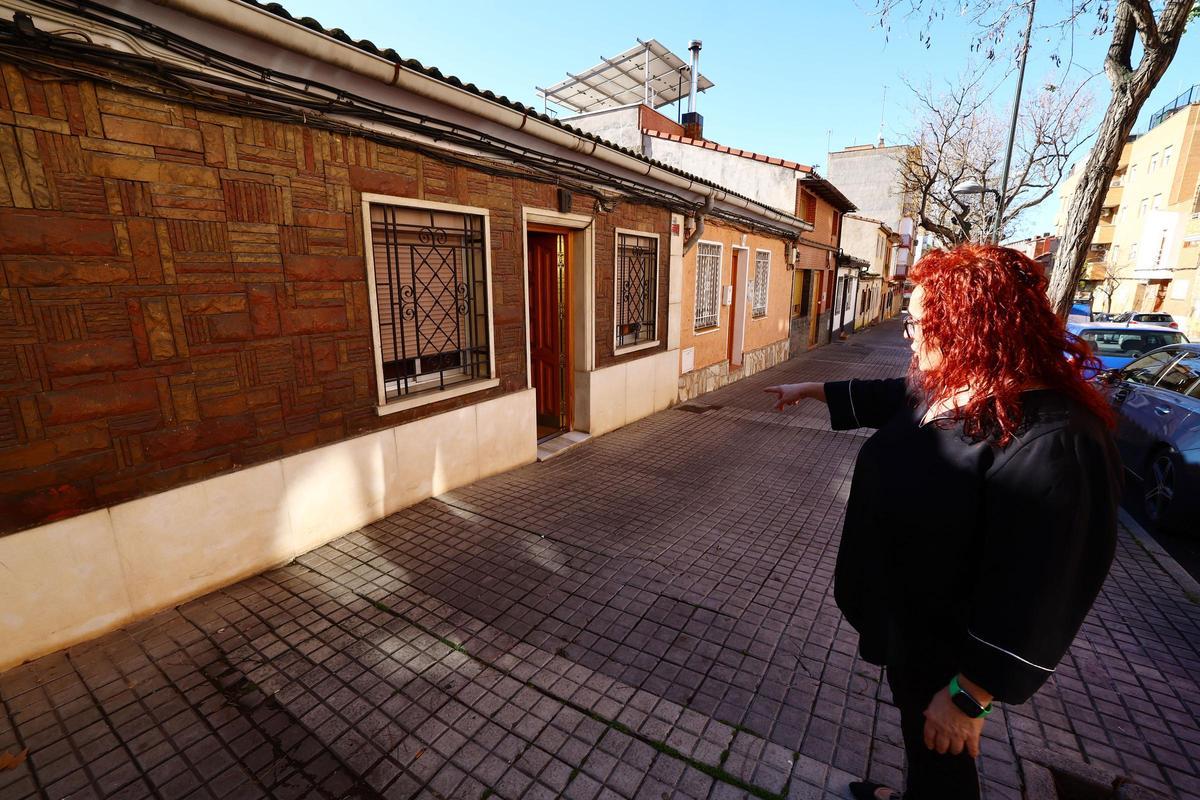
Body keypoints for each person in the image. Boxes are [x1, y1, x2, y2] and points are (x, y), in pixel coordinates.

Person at [764, 245, 1122, 800]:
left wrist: (969, 695)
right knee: (919, 742)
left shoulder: (1056, 440)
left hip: (951, 655)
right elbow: (894, 399)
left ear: (975, 324)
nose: (909, 332)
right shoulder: (954, 386)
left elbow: (1043, 591)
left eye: (921, 321)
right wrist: (808, 388)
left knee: (943, 761)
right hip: (909, 626)